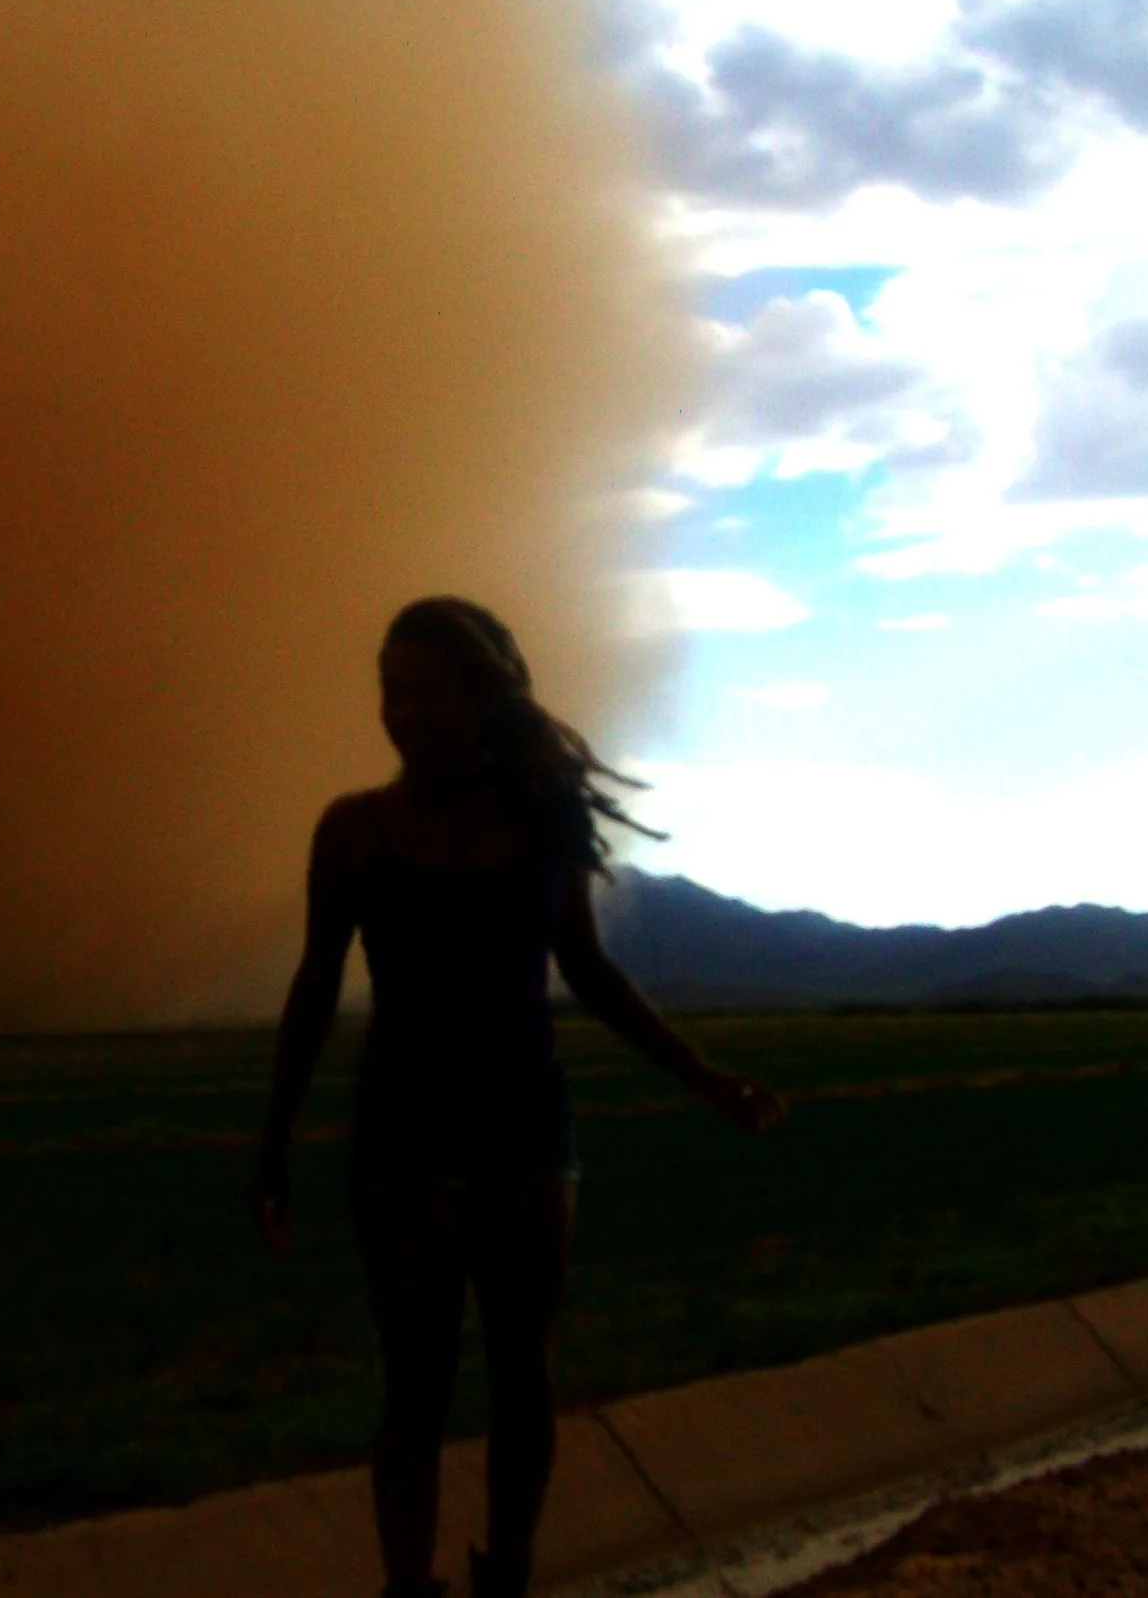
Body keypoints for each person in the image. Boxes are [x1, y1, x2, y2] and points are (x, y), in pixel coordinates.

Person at [251, 596, 786, 1598]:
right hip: (405, 1124)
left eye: (427, 691)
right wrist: (274, 1139)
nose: (403, 711)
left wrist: (704, 1076)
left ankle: (510, 1578)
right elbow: (315, 984)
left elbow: (588, 971)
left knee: (522, 1372)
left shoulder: (540, 822)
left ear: (483, 698)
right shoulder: (355, 830)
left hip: (525, 1121)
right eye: (390, 690)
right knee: (414, 1380)